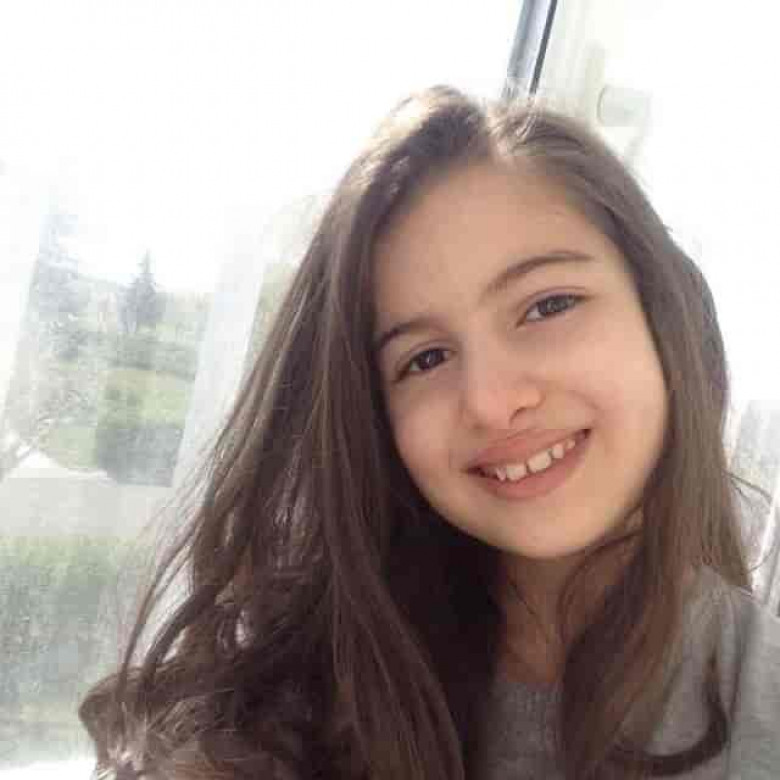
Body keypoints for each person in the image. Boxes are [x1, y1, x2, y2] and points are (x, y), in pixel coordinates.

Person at [79, 86, 780, 779]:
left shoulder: (759, 701)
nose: (491, 402)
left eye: (547, 306)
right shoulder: (298, 698)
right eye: (425, 359)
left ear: (661, 314)